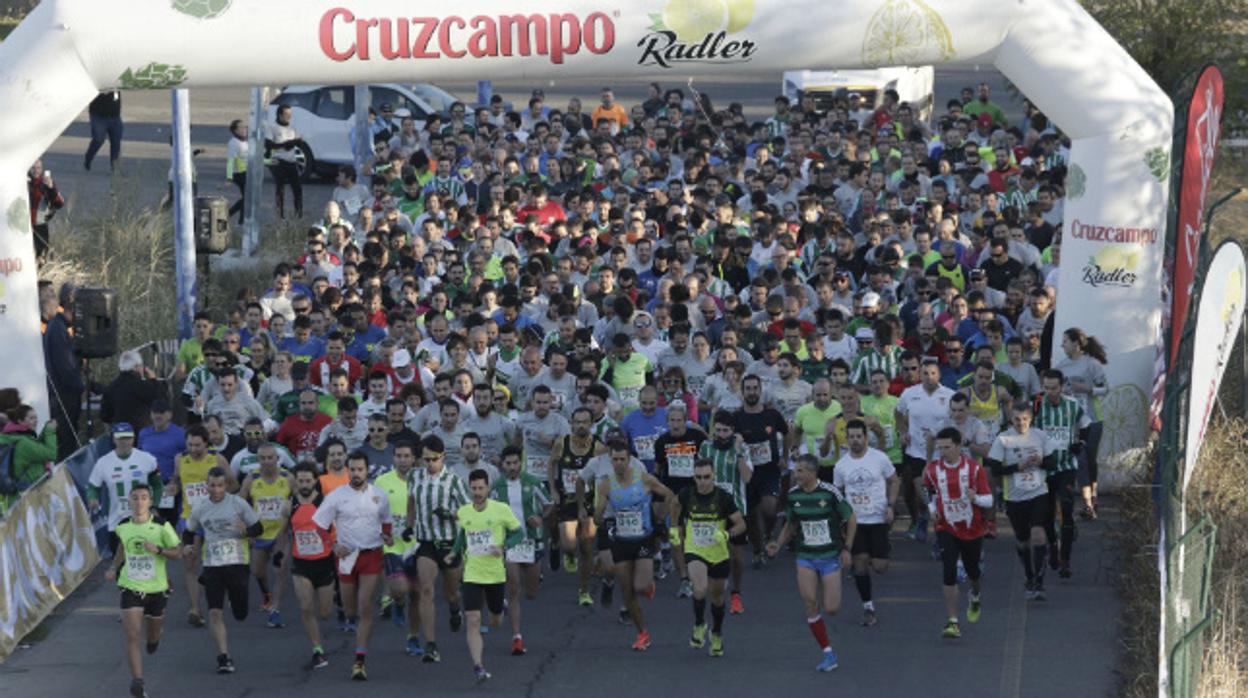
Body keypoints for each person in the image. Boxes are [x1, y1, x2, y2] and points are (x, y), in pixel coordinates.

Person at [766, 455, 856, 672]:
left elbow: (851, 518)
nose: (795, 475)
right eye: (795, 471)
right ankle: (827, 652)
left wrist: (847, 548)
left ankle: (827, 614)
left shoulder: (829, 492)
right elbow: (790, 524)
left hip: (829, 556)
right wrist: (778, 544)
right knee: (810, 603)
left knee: (832, 608)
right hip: (805, 556)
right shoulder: (793, 495)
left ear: (812, 473)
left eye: (799, 471)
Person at [312, 451, 394, 680]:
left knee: (364, 605)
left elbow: (386, 521)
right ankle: (349, 615)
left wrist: (387, 537)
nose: (356, 474)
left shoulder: (379, 495)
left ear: (367, 470)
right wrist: (333, 545)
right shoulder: (337, 496)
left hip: (371, 554)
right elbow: (319, 524)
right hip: (346, 556)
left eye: (360, 469)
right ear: (348, 470)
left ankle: (359, 660)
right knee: (350, 611)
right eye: (353, 469)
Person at [104, 483, 183, 698]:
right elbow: (122, 547)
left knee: (152, 633)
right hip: (130, 585)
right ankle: (137, 682)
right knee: (132, 634)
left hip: (157, 589)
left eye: (144, 498)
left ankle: (154, 639)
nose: (139, 502)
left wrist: (157, 549)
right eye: (135, 498)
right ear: (129, 501)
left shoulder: (161, 525)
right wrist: (113, 567)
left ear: (150, 502)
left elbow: (178, 552)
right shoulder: (123, 526)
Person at [594, 441, 674, 651]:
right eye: (615, 460)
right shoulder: (606, 484)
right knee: (627, 591)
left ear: (629, 460)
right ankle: (642, 633)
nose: (619, 463)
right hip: (621, 540)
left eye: (622, 459)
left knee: (640, 586)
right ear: (610, 460)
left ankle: (648, 585)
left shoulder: (644, 479)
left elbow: (669, 495)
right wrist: (598, 515)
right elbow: (598, 513)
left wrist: (660, 515)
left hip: (643, 539)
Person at [184, 466, 263, 674]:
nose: (216, 490)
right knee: (215, 612)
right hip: (213, 566)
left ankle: (236, 602)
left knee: (240, 613)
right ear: (206, 486)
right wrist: (187, 545)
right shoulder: (200, 507)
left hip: (237, 563)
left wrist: (246, 530)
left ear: (226, 485)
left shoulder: (238, 504)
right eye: (212, 485)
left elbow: (258, 527)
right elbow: (188, 530)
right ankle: (223, 657)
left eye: (220, 485)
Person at [449, 467, 525, 682]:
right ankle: (478, 666)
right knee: (473, 619)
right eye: (473, 488)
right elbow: (463, 536)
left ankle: (500, 606)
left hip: (495, 574)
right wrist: (453, 552)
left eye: (481, 488)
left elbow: (518, 532)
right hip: (472, 573)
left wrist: (504, 546)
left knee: (495, 621)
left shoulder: (501, 510)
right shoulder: (464, 512)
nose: (477, 492)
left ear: (488, 488)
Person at [402, 435, 470, 664]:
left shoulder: (453, 480)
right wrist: (409, 526)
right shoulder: (414, 476)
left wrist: (450, 514)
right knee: (426, 590)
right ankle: (431, 644)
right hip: (427, 543)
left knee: (451, 592)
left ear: (443, 457)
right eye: (425, 459)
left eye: (434, 459)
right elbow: (411, 502)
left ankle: (454, 608)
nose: (429, 464)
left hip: (449, 542)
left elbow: (470, 511)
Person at [670, 460, 746, 657]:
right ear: (693, 477)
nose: (702, 482)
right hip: (695, 548)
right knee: (700, 587)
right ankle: (699, 623)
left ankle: (717, 633)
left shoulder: (724, 498)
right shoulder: (687, 494)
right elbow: (674, 503)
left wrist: (727, 534)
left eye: (706, 477)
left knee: (718, 596)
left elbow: (741, 524)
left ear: (713, 476)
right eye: (698, 477)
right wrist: (675, 526)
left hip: (719, 552)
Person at [924, 428, 993, 639]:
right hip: (946, 527)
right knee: (949, 570)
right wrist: (932, 511)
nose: (943, 452)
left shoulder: (974, 469)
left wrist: (975, 499)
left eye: (947, 447)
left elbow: (989, 500)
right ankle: (953, 621)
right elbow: (929, 492)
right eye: (940, 448)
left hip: (972, 529)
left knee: (973, 571)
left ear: (958, 446)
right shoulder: (932, 470)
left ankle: (975, 594)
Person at [832, 419, 898, 626]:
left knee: (880, 567)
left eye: (859, 436)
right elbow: (837, 494)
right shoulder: (841, 465)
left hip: (878, 519)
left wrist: (891, 505)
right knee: (859, 563)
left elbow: (894, 480)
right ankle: (868, 607)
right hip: (855, 521)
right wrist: (840, 520)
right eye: (851, 437)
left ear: (866, 437)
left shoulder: (879, 458)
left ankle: (881, 549)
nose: (855, 441)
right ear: (847, 439)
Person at [987, 403, 1055, 600]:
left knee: (1038, 533)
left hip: (1038, 492)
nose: (1021, 423)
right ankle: (1028, 574)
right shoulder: (1003, 439)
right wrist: (1018, 466)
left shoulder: (1040, 436)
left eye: (1025, 419)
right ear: (1011, 420)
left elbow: (1052, 463)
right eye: (1017, 419)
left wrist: (1040, 462)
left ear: (1031, 419)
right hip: (1015, 497)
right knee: (1022, 540)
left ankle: (1039, 582)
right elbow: (995, 470)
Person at [491, 445, 550, 655]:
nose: (513, 467)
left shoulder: (532, 482)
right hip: (510, 543)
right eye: (508, 463)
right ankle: (517, 637)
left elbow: (550, 504)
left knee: (531, 592)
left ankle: (513, 600)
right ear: (502, 464)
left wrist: (540, 518)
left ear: (521, 462)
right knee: (514, 588)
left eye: (516, 463)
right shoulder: (497, 487)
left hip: (531, 541)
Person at [171, 424, 231, 627]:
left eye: (197, 445)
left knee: (216, 563)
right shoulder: (180, 460)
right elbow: (178, 480)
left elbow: (233, 484)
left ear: (206, 443)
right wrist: (173, 486)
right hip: (189, 518)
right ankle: (195, 608)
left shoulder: (217, 460)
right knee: (189, 562)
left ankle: (219, 600)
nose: (193, 449)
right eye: (190, 445)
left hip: (215, 518)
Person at [1034, 369, 1091, 578]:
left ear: (1062, 386)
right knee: (1047, 514)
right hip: (1044, 468)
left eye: (1054, 388)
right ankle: (1053, 548)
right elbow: (1026, 428)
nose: (1050, 392)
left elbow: (1086, 424)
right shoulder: (1038, 404)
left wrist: (1081, 442)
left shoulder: (1072, 405)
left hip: (1066, 465)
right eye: (1046, 388)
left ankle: (1066, 560)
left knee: (1067, 509)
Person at [547, 407, 605, 605]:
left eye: (585, 422)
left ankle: (584, 591)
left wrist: (601, 500)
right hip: (567, 499)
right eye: (577, 422)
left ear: (591, 424)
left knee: (587, 546)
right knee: (570, 544)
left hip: (588, 500)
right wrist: (553, 489)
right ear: (571, 424)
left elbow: (604, 474)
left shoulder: (598, 447)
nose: (581, 425)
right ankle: (565, 551)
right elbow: (551, 464)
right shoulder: (561, 444)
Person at [895, 359, 955, 542]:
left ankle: (940, 537)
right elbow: (897, 413)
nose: (929, 377)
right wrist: (903, 431)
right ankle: (922, 516)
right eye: (925, 373)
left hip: (941, 453)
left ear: (939, 375)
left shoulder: (950, 395)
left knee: (941, 498)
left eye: (933, 373)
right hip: (917, 452)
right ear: (920, 375)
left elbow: (957, 419)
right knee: (924, 495)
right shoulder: (909, 393)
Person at [698, 411, 752, 614]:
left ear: (733, 432)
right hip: (711, 509)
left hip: (736, 508)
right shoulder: (705, 447)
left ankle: (736, 593)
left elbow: (747, 478)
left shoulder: (742, 448)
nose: (721, 435)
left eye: (725, 431)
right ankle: (714, 590)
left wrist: (737, 452)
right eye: (718, 430)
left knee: (737, 556)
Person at [374, 440, 424, 656]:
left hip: (417, 544)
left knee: (418, 594)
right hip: (392, 544)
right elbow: (372, 509)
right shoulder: (382, 481)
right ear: (393, 458)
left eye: (407, 456)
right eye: (399, 456)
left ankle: (412, 637)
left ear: (413, 459)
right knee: (400, 588)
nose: (403, 460)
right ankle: (398, 603)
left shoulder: (422, 480)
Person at [1052, 328, 1107, 519]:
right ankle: (1087, 505)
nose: (1062, 345)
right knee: (1081, 460)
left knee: (1090, 460)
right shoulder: (1062, 366)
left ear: (1076, 344)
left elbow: (1105, 389)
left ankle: (1093, 494)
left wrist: (1086, 388)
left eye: (1065, 341)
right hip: (1073, 421)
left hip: (1093, 419)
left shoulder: (1092, 364)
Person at [238, 444, 294, 628]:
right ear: (258, 460)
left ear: (277, 459)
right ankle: (266, 594)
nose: (267, 462)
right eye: (262, 458)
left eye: (270, 458)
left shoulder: (287, 478)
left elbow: (300, 500)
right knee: (257, 571)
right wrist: (247, 529)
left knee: (279, 570)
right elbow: (240, 505)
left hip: (281, 534)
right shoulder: (251, 479)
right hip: (260, 534)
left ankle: (275, 610)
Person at [287, 462, 336, 670]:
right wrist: (280, 552)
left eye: (308, 480)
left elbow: (336, 530)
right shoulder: (289, 504)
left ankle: (336, 598)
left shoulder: (326, 503)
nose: (304, 485)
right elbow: (284, 531)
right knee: (306, 607)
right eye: (300, 481)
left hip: (324, 563)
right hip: (301, 564)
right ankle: (317, 650)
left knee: (325, 613)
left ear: (316, 480)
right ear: (295, 482)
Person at [87, 423, 162, 554]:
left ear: (133, 439)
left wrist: (154, 506)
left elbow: (158, 486)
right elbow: (93, 487)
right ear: (114, 439)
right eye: (120, 438)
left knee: (144, 563)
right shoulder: (103, 462)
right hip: (117, 521)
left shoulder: (147, 459)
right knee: (119, 566)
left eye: (127, 438)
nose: (124, 442)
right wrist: (92, 498)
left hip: (143, 521)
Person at [0, 404, 57, 511]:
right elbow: (51, 454)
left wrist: (44, 432)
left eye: (36, 417)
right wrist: (50, 431)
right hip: (27, 498)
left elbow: (37, 449)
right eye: (31, 418)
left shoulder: (12, 437)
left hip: (16, 496)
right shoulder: (24, 443)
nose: (36, 421)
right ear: (20, 421)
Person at [99, 350, 166, 430]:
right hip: (141, 435)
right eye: (141, 366)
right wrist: (153, 381)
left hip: (119, 434)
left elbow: (105, 416)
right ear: (136, 367)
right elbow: (162, 402)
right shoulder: (142, 386)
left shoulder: (111, 387)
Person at [265, 104, 304, 219]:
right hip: (278, 161)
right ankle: (280, 215)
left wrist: (298, 142)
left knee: (297, 189)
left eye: (290, 114)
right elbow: (269, 145)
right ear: (280, 115)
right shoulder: (272, 127)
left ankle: (299, 215)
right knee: (280, 189)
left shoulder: (293, 127)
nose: (289, 117)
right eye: (286, 114)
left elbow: (297, 143)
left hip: (291, 161)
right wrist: (284, 144)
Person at [84, 90, 123, 172]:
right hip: (98, 116)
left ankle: (115, 168)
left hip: (115, 116)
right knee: (98, 139)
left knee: (116, 141)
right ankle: (88, 157)